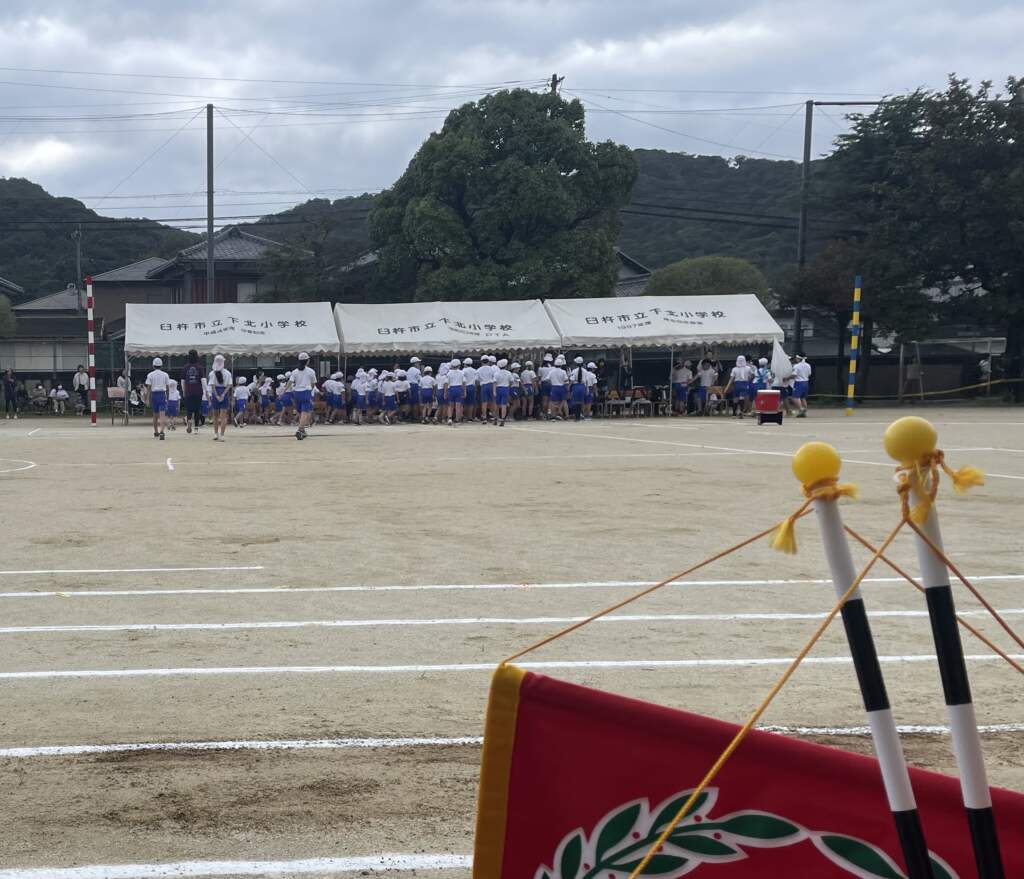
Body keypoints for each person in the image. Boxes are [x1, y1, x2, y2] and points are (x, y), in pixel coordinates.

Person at [288, 352, 317, 440]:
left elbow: (290, 382)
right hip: (306, 391)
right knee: (305, 412)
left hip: (296, 392)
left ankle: (303, 431)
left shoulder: (295, 371)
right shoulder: (311, 371)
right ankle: (300, 430)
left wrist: (284, 391)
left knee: (301, 412)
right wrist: (310, 391)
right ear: (307, 361)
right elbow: (313, 384)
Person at [207, 354, 233, 442]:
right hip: (224, 392)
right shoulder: (228, 373)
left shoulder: (212, 373)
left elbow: (212, 386)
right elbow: (229, 385)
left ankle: (215, 434)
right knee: (224, 416)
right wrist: (223, 395)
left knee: (215, 415)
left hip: (215, 393)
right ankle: (222, 435)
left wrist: (217, 395)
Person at [144, 357, 170, 439]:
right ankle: (162, 431)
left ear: (153, 365)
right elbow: (167, 387)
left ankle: (156, 432)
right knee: (162, 415)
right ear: (161, 365)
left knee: (155, 415)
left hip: (154, 395)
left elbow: (148, 388)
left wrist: (147, 399)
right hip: (162, 395)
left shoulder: (150, 375)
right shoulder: (165, 375)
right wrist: (168, 398)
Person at [180, 350, 205, 435]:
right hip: (198, 391)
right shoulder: (200, 367)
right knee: (197, 410)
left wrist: (183, 391)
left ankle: (189, 421)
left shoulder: (185, 367)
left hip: (188, 391)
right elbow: (203, 380)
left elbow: (182, 381)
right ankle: (196, 428)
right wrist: (205, 390)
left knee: (189, 409)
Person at [548, 355, 569, 420]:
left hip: (554, 387)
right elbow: (566, 380)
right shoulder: (563, 371)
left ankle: (553, 415)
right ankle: (566, 415)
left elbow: (547, 379)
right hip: (562, 387)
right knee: (564, 400)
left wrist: (552, 382)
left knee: (552, 401)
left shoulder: (552, 371)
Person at [477, 355, 496, 423]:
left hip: (483, 385)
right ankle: (492, 416)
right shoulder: (491, 369)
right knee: (492, 402)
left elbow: (477, 380)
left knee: (484, 402)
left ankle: (484, 417)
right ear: (488, 361)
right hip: (491, 385)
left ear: (481, 361)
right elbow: (494, 378)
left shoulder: (479, 369)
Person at [493, 358, 512, 426]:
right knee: (504, 405)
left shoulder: (496, 373)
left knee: (496, 405)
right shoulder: (508, 373)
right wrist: (508, 388)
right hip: (505, 388)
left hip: (498, 388)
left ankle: (495, 419)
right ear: (505, 366)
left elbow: (494, 383)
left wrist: (494, 391)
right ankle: (503, 419)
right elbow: (511, 382)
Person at [446, 358, 464, 426]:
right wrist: (464, 391)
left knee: (450, 406)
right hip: (459, 388)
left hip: (451, 388)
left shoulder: (449, 373)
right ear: (459, 365)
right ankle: (457, 420)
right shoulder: (461, 372)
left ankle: (450, 419)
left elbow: (447, 383)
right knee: (458, 406)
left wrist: (446, 392)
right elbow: (463, 383)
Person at [569, 356, 587, 422]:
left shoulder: (574, 371)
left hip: (576, 386)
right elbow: (586, 381)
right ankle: (580, 415)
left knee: (575, 402)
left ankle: (576, 417)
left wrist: (568, 387)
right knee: (581, 401)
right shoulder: (585, 371)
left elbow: (571, 380)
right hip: (582, 386)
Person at [407, 357, 422, 421]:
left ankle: (409, 416)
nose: (419, 364)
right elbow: (420, 380)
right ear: (415, 363)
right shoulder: (417, 370)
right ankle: (415, 417)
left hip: (409, 386)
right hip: (415, 386)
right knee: (416, 402)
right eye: (418, 362)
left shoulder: (408, 370)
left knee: (410, 402)